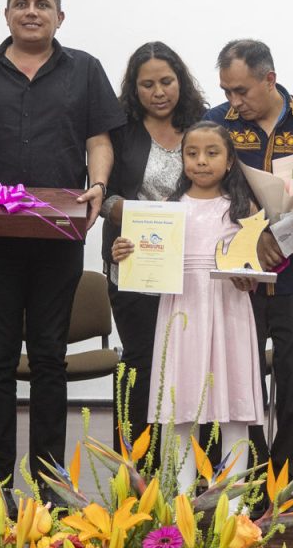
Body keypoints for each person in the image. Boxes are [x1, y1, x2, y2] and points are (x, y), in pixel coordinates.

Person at [0, 0, 123, 494]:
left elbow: (100, 138)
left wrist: (98, 185)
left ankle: (51, 478)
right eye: (20, 4)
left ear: (59, 18)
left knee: (49, 355)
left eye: (42, 4)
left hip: (59, 234)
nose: (31, 11)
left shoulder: (84, 69)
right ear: (6, 15)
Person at [205, 39, 293, 497]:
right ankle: (250, 477)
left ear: (270, 79)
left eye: (241, 91)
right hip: (242, 278)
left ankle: (287, 485)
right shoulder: (217, 123)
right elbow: (210, 194)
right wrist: (245, 241)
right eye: (226, 91)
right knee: (242, 381)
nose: (233, 102)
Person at [110, 122, 264, 488]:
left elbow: (254, 266)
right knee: (178, 406)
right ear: (182, 159)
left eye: (212, 153)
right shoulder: (167, 209)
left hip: (229, 313)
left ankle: (235, 507)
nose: (201, 161)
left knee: (234, 406)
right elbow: (145, 255)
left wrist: (249, 275)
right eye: (192, 153)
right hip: (181, 313)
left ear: (229, 162)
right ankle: (180, 498)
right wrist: (124, 252)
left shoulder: (243, 208)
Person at [103, 43, 208, 451]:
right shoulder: (117, 129)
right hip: (132, 261)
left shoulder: (203, 123)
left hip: (192, 267)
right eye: (147, 84)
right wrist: (135, 213)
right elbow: (102, 196)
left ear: (180, 80)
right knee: (141, 364)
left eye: (166, 81)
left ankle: (191, 467)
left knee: (191, 364)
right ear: (134, 88)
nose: (159, 91)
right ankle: (134, 469)